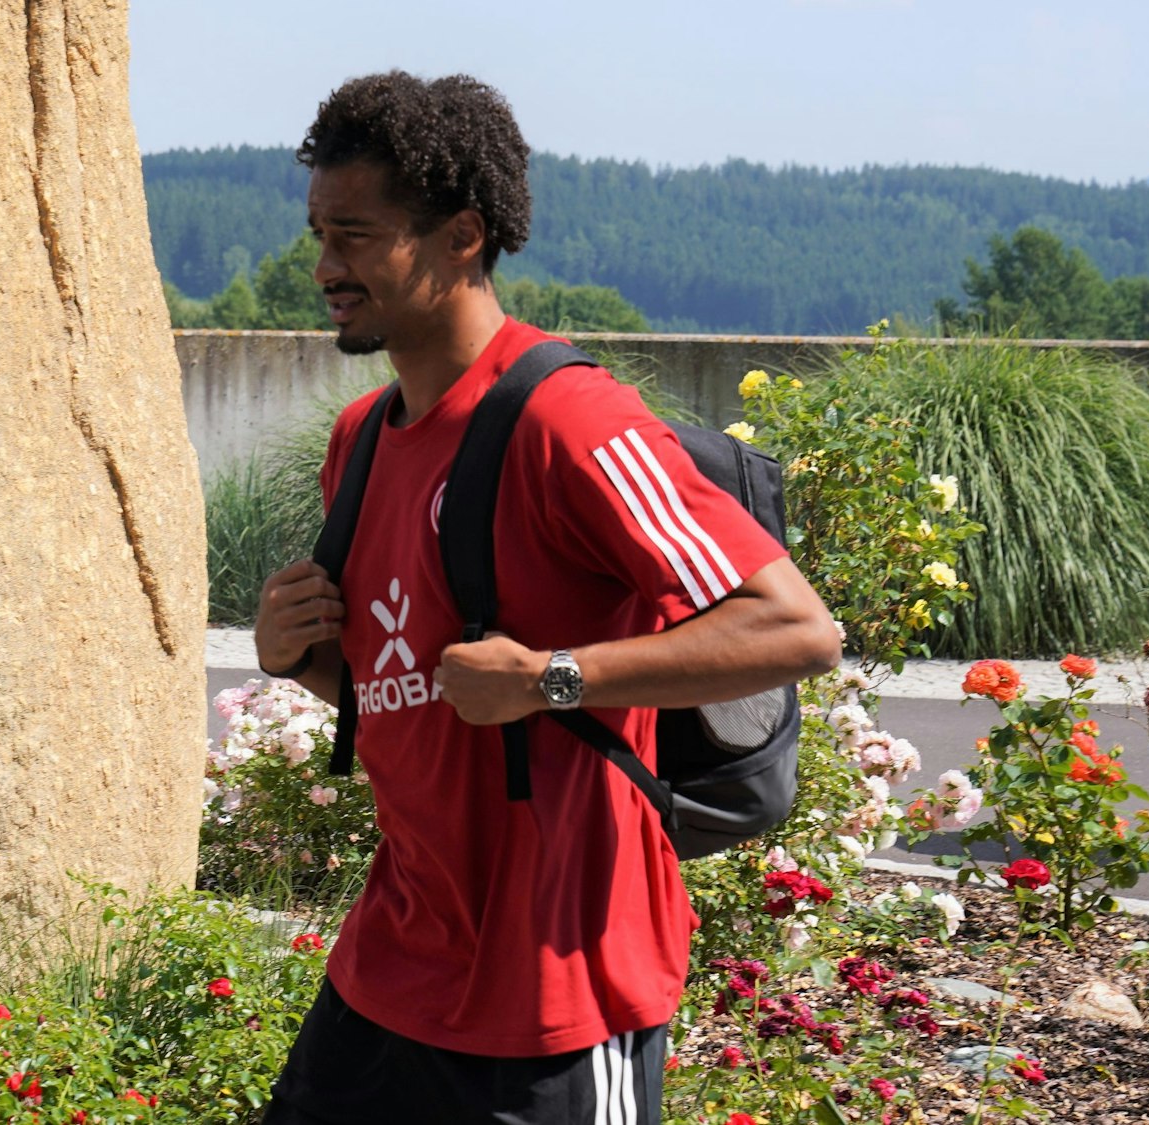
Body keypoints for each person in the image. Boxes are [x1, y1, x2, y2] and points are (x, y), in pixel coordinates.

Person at [251, 72, 841, 1125]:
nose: (323, 267)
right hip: (393, 968)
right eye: (317, 233)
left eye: (353, 236)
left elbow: (795, 626)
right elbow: (423, 690)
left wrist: (554, 678)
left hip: (557, 990)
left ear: (461, 236)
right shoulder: (360, 442)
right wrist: (305, 656)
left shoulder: (571, 422)